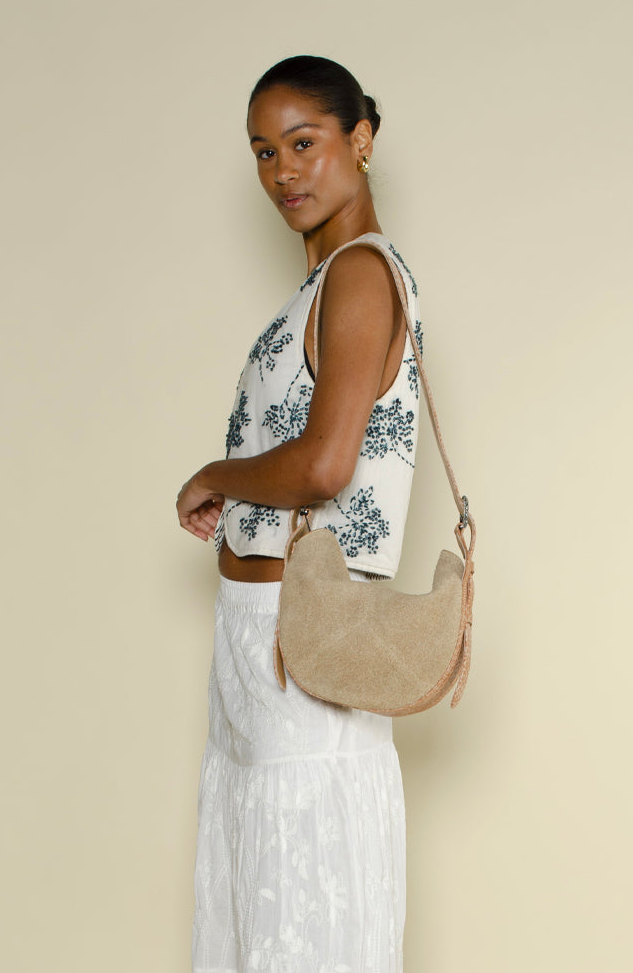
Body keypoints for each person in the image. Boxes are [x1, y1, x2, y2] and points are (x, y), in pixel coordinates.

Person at [177, 54, 423, 972]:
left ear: (361, 140)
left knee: (305, 911)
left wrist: (214, 474)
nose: (282, 170)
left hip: (302, 643)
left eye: (303, 142)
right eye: (263, 151)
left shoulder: (360, 274)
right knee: (262, 906)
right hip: (256, 641)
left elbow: (324, 466)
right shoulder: (319, 288)